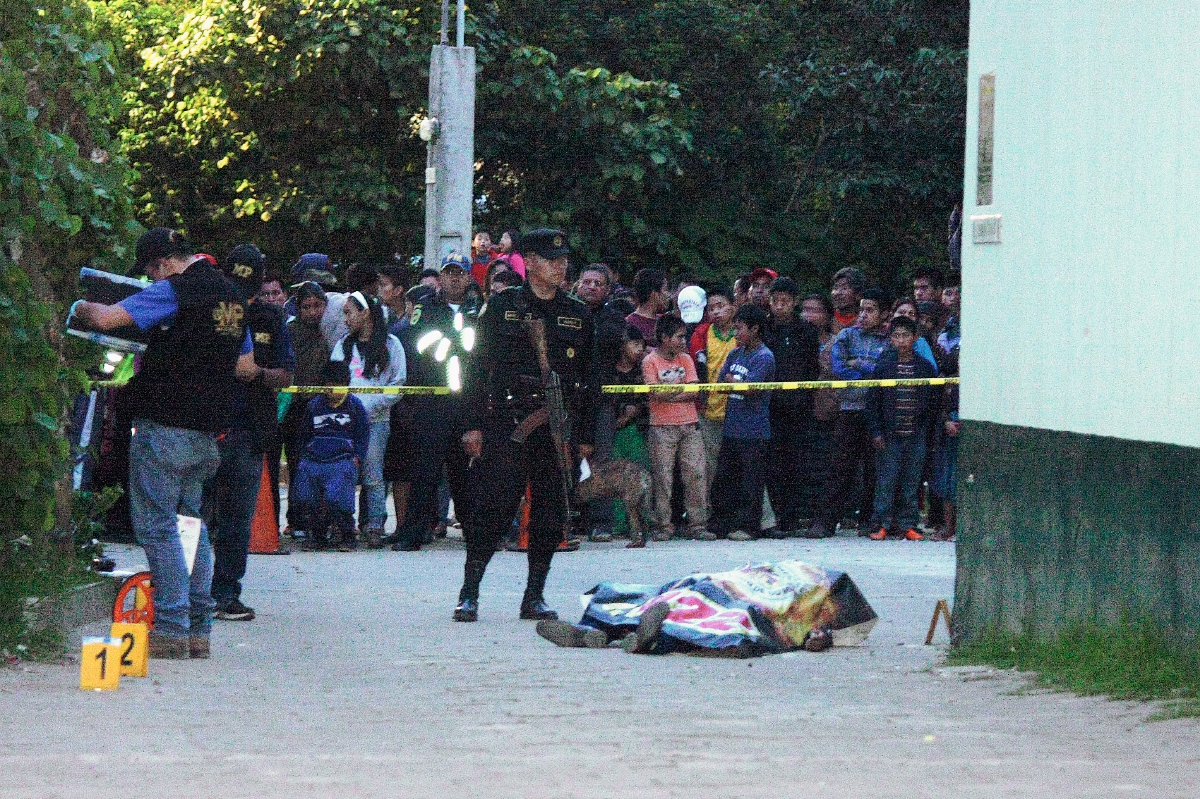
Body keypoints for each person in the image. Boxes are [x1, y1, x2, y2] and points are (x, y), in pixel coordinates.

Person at [69, 227, 257, 658]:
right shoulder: (233, 297)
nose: (153, 279)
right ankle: (198, 630)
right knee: (192, 525)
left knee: (159, 528)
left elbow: (104, 318)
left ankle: (171, 628)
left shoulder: (176, 291)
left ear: (165, 263)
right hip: (207, 433)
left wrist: (76, 302)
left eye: (153, 272)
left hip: (165, 426)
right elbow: (246, 367)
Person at [455, 229, 598, 623]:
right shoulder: (502, 307)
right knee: (494, 509)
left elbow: (591, 381)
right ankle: (470, 592)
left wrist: (584, 437)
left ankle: (534, 595)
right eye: (551, 259)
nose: (561, 266)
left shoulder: (578, 315)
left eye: (564, 259)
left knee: (550, 514)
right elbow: (474, 369)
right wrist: (472, 425)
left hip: (556, 427)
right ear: (530, 262)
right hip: (507, 421)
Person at [208, 244, 295, 622]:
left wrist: (257, 373)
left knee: (237, 519)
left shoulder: (270, 318)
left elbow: (286, 375)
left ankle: (226, 593)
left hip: (249, 431)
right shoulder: (211, 309)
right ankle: (185, 591)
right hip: (205, 427)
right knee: (192, 514)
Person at [389, 252, 481, 552]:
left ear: (468, 277)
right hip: (433, 400)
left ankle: (476, 533)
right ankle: (413, 533)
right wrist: (449, 346)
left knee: (466, 474)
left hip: (468, 401)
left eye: (459, 273)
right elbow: (418, 346)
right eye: (449, 272)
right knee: (425, 470)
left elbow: (481, 352)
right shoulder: (426, 306)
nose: (454, 278)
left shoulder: (479, 308)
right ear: (440, 277)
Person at [808, 287, 890, 539]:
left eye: (871, 310)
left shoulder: (889, 340)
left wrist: (861, 365)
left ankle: (867, 521)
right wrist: (864, 374)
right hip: (849, 410)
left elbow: (885, 371)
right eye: (862, 309)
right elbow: (837, 367)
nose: (864, 315)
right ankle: (825, 522)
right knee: (839, 467)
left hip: (877, 413)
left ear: (884, 314)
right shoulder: (846, 336)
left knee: (873, 470)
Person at [330, 292, 406, 548]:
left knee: (373, 473)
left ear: (366, 313)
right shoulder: (343, 346)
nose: (346, 318)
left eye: (350, 312)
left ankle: (374, 524)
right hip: (346, 421)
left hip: (376, 421)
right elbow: (335, 379)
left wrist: (373, 403)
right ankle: (343, 525)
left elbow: (398, 383)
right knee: (345, 472)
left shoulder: (391, 344)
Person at [708, 304, 776, 540]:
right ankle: (721, 524)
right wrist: (734, 381)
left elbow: (750, 389)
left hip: (754, 430)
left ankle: (750, 527)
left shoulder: (764, 356)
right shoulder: (735, 354)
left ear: (755, 329)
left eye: (739, 328)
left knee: (751, 482)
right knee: (724, 480)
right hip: (732, 427)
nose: (735, 333)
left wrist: (733, 381)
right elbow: (721, 383)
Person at [867, 316, 937, 541]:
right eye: (896, 336)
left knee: (911, 481)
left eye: (906, 335)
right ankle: (881, 524)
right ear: (891, 339)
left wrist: (927, 431)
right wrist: (876, 431)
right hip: (889, 434)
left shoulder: (925, 368)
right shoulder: (884, 367)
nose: (901, 340)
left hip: (916, 433)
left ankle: (908, 524)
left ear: (915, 338)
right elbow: (873, 401)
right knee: (886, 480)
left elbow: (933, 403)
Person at [642, 314, 710, 541]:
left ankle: (698, 524)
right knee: (663, 478)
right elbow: (654, 393)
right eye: (679, 337)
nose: (684, 341)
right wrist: (682, 393)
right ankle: (663, 526)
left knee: (697, 475)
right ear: (664, 337)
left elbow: (694, 390)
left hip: (690, 425)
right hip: (661, 427)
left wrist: (669, 394)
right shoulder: (650, 361)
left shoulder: (686, 359)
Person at [291, 361, 371, 550]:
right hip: (315, 460)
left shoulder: (355, 405)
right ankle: (317, 535)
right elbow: (304, 434)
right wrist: (304, 456)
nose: (334, 390)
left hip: (342, 460)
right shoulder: (314, 406)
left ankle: (347, 535)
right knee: (308, 499)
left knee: (339, 500)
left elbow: (363, 434)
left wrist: (357, 456)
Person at [762, 277, 819, 537]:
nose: (780, 306)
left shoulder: (806, 331)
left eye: (786, 301)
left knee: (799, 462)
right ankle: (777, 518)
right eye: (776, 301)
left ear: (795, 302)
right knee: (774, 463)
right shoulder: (763, 329)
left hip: (800, 406)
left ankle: (795, 517)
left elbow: (812, 367)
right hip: (771, 407)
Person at [281, 281, 331, 546]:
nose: (312, 312)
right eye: (306, 307)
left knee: (307, 465)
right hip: (290, 404)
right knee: (295, 462)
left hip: (315, 406)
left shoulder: (327, 331)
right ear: (298, 308)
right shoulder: (290, 332)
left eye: (317, 306)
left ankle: (307, 519)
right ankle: (294, 520)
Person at [601, 324, 651, 542]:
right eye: (634, 344)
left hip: (637, 430)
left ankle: (640, 525)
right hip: (613, 431)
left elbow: (646, 399)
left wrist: (634, 412)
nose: (640, 349)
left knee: (637, 477)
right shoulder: (608, 371)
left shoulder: (643, 371)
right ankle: (616, 524)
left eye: (642, 344)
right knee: (614, 478)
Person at [690, 287, 738, 494]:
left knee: (743, 465)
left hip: (738, 409)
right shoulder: (701, 334)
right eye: (711, 308)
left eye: (721, 306)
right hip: (709, 410)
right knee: (710, 467)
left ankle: (759, 520)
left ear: (733, 308)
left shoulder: (743, 332)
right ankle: (711, 513)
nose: (716, 312)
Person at [626, 267, 670, 341]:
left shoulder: (665, 321)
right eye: (665, 290)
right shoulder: (630, 324)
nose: (668, 295)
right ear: (654, 294)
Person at [830, 267, 866, 334]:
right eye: (835, 287)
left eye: (844, 288)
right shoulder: (827, 319)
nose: (837, 293)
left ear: (858, 294)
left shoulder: (865, 321)